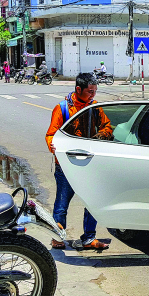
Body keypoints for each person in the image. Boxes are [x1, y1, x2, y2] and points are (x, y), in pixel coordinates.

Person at [45, 72, 111, 250]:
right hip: (66, 165)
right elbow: (51, 134)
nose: (93, 95)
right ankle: (57, 237)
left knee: (92, 202)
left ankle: (89, 238)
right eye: (90, 91)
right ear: (78, 89)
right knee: (61, 204)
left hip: (89, 164)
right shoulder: (63, 108)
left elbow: (107, 127)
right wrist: (52, 145)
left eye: (95, 91)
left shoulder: (94, 107)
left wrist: (99, 137)